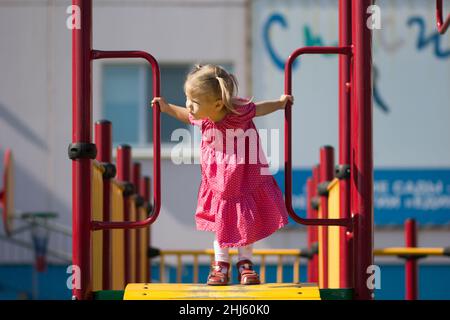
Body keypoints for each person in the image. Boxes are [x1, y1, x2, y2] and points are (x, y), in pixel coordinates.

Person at [151, 64, 293, 285]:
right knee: (221, 219)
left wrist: (280, 103)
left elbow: (260, 108)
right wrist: (167, 107)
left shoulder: (238, 112)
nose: (188, 105)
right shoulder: (203, 116)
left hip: (245, 174)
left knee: (246, 218)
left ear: (217, 104)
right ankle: (220, 265)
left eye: (193, 101)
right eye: (187, 98)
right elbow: (185, 115)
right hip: (218, 178)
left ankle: (245, 263)